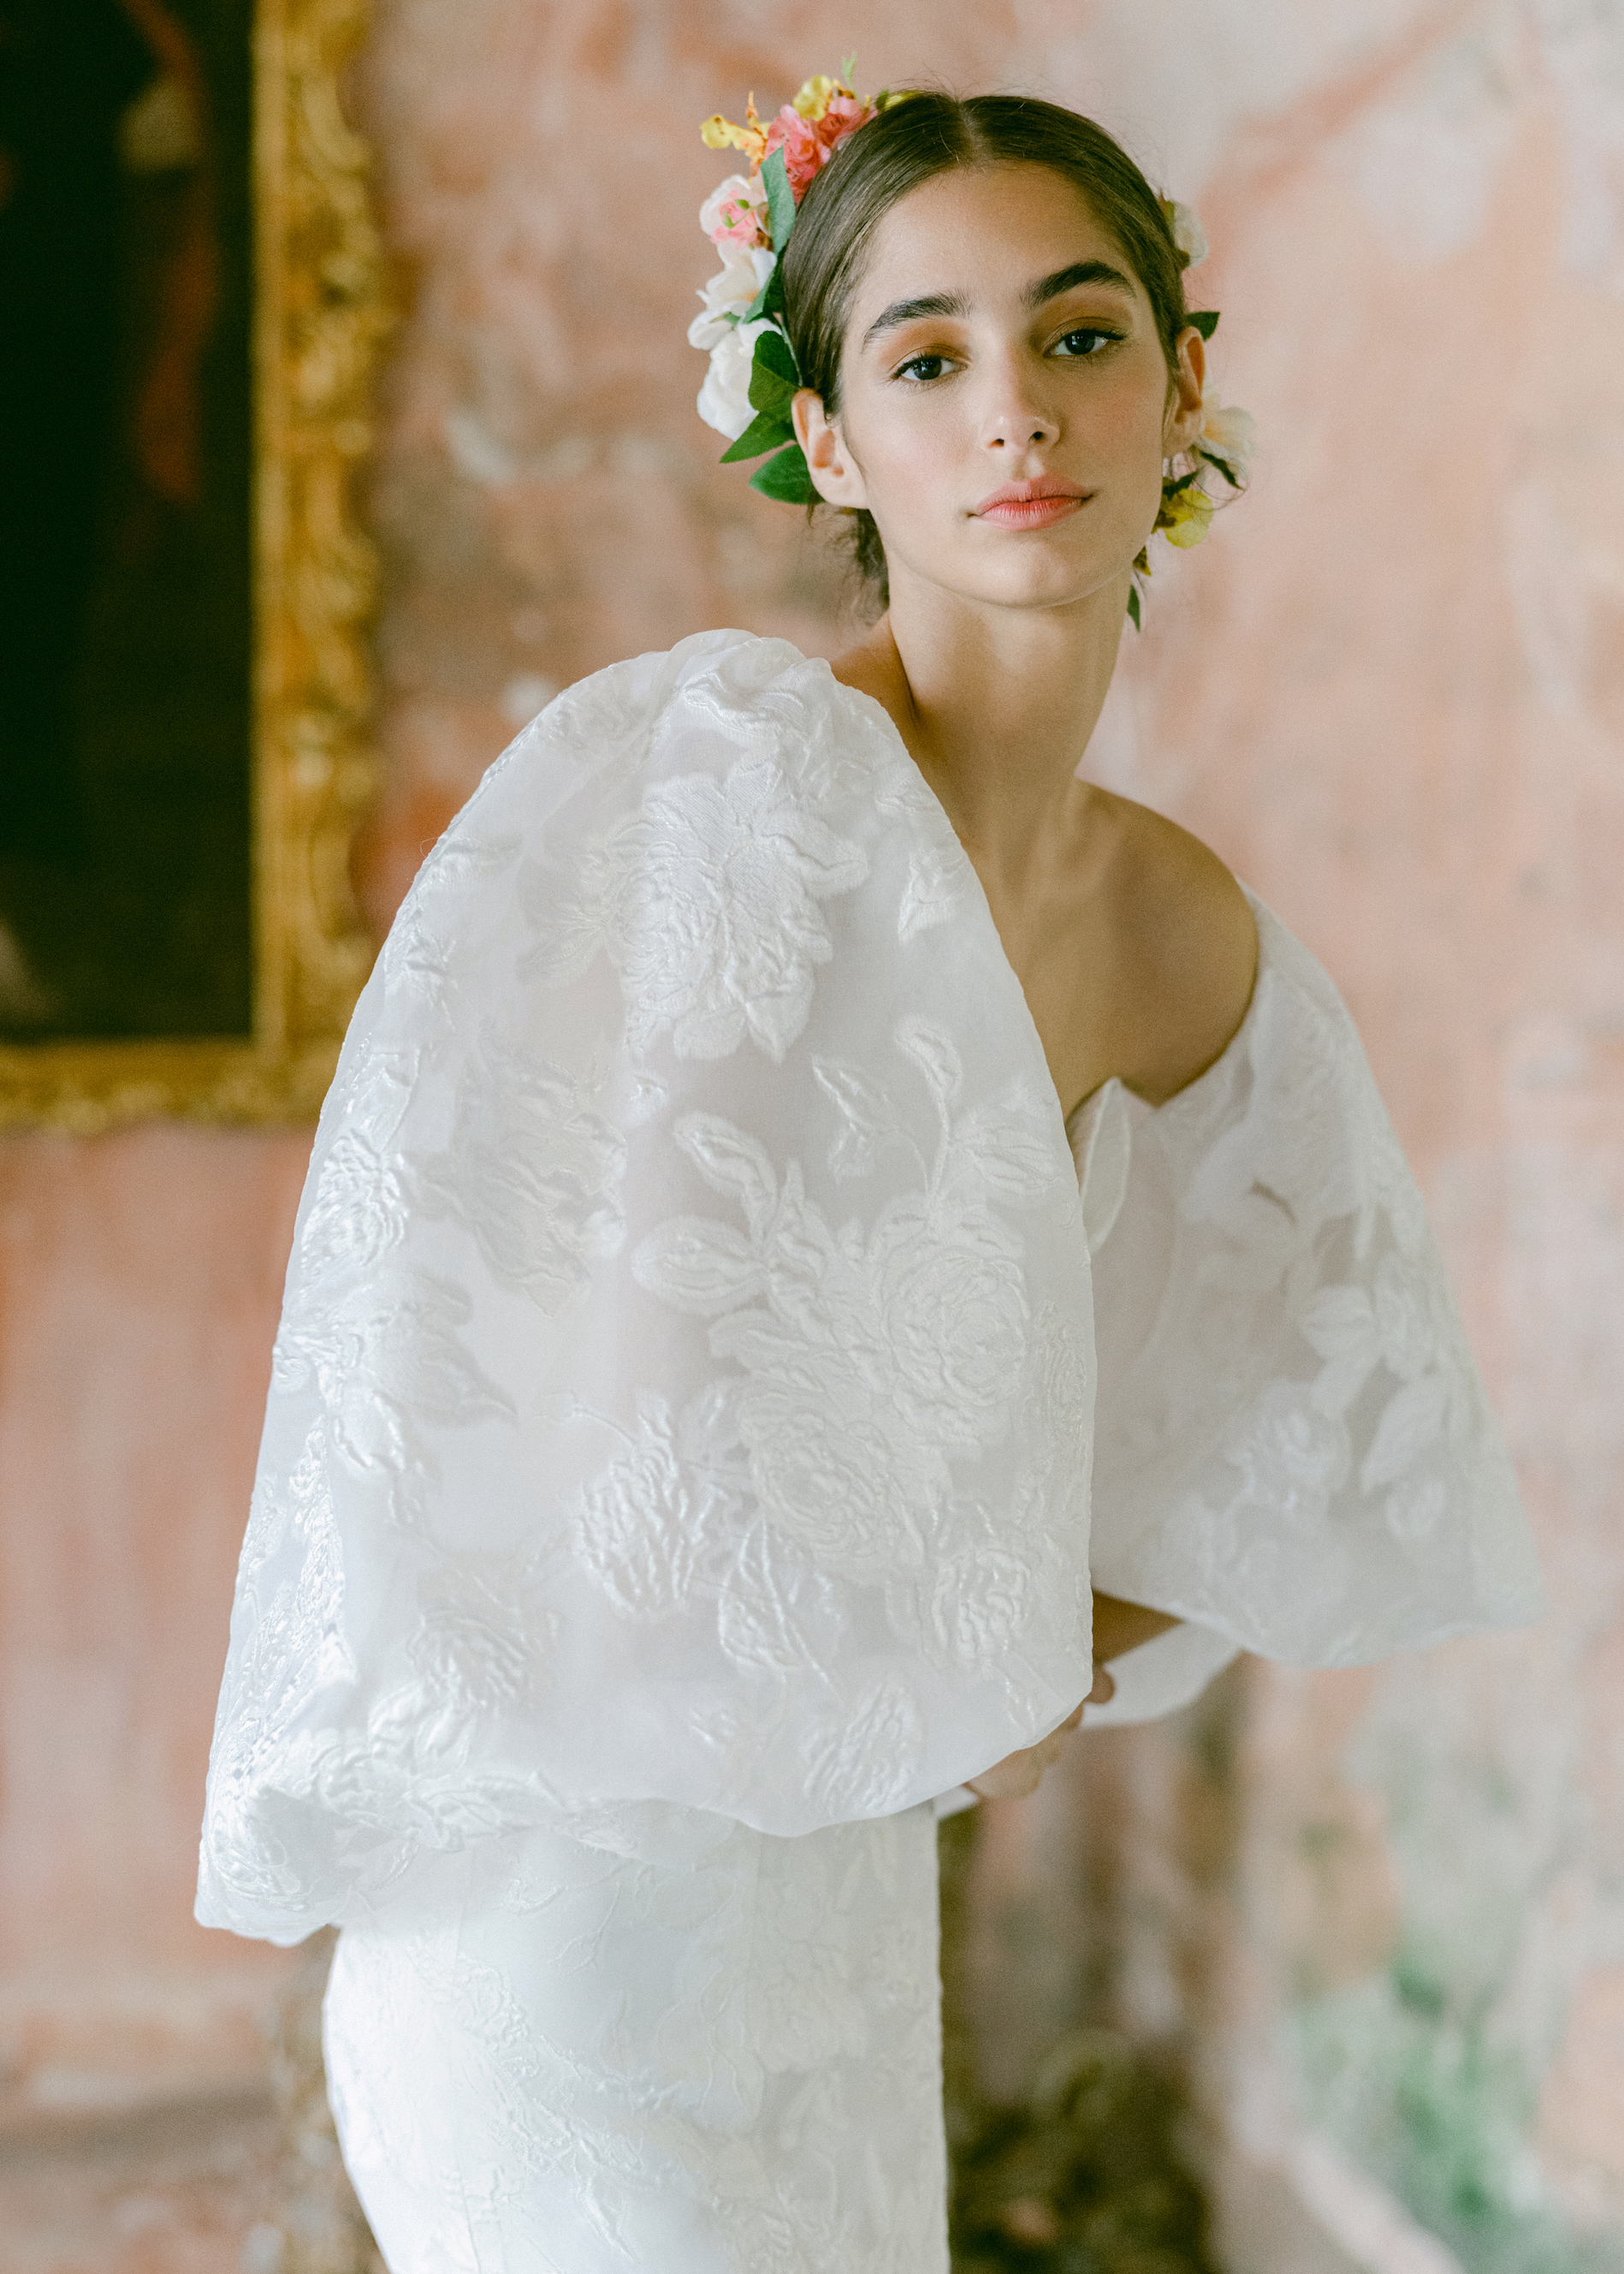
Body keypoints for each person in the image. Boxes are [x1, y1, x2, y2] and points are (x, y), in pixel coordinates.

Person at [198, 80, 1544, 2274]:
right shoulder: (729, 790)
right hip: (570, 1946)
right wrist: (949, 1641)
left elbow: (1305, 1411)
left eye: (1080, 334)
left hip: (827, 1952)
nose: (1015, 409)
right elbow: (616, 1439)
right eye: (926, 359)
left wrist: (1020, 1650)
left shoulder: (1177, 928)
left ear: (1183, 377)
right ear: (830, 441)